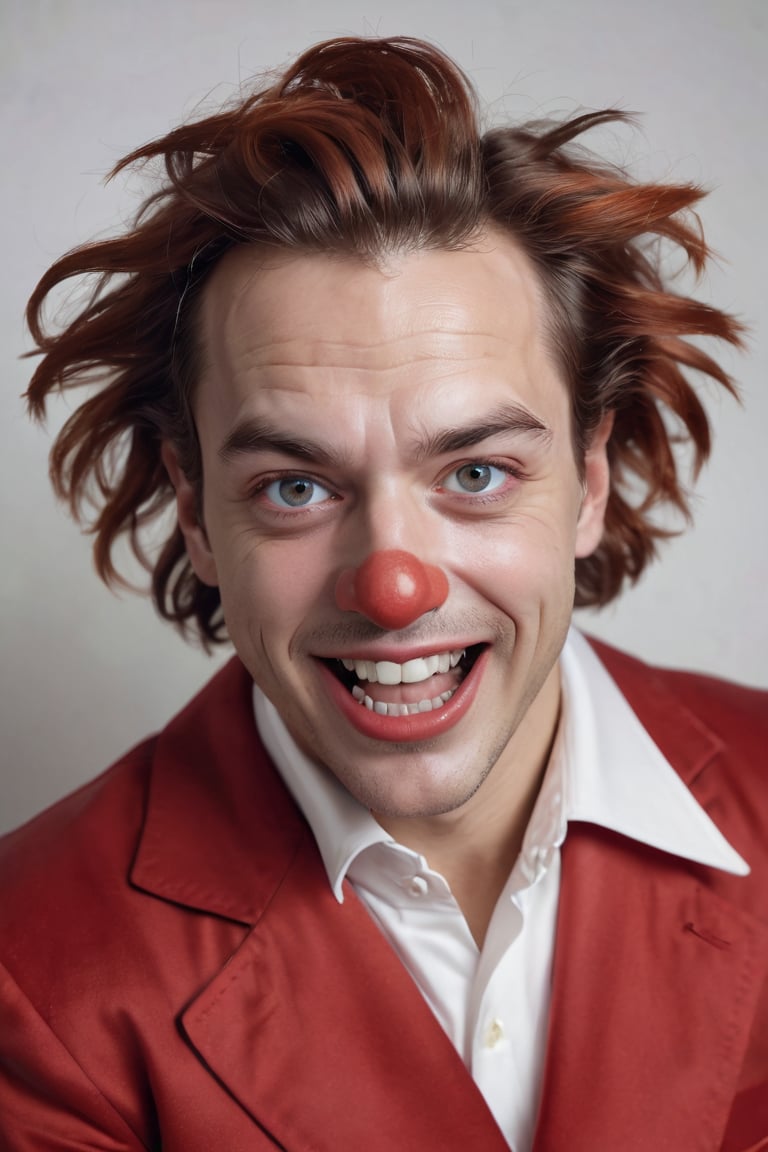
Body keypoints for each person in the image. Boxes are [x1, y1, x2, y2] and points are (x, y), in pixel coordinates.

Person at [1, 34, 766, 1152]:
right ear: (196, 506)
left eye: (475, 472)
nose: (394, 587)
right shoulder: (30, 966)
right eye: (297, 484)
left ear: (590, 481)